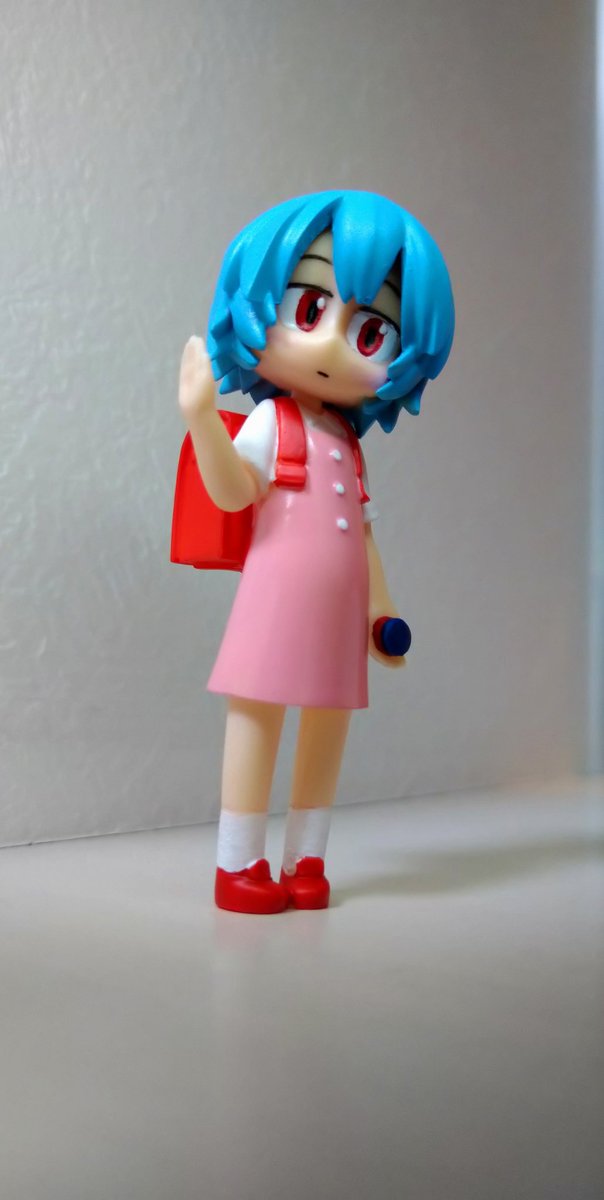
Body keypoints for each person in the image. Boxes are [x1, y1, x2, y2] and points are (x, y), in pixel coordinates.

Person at [177, 190, 454, 914]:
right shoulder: (272, 422)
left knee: (328, 727)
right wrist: (202, 418)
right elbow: (233, 493)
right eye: (309, 309)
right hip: (273, 603)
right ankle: (239, 863)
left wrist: (381, 612)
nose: (333, 343)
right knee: (259, 717)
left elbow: (363, 532)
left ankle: (307, 857)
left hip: (338, 615)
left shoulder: (347, 446)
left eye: (372, 332)